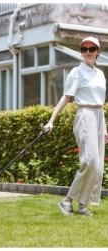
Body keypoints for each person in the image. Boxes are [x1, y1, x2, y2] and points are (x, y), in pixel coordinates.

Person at [44, 36, 108, 216]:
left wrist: (104, 129)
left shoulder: (101, 74)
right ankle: (66, 201)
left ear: (98, 52)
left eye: (91, 49)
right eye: (84, 49)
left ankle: (82, 205)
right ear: (81, 52)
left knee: (97, 167)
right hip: (85, 115)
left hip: (98, 116)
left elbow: (100, 103)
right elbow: (66, 97)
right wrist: (51, 120)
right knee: (89, 162)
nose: (88, 52)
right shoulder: (76, 72)